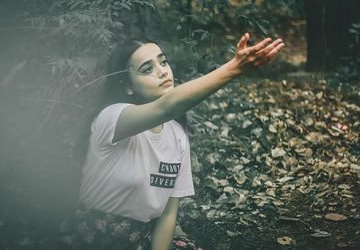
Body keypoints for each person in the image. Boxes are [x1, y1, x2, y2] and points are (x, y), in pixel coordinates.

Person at [67, 33, 284, 249]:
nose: (162, 71)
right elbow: (168, 106)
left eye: (163, 62)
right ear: (128, 86)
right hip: (96, 236)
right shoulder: (112, 118)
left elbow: (168, 213)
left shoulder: (177, 134)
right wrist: (234, 68)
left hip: (146, 235)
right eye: (147, 69)